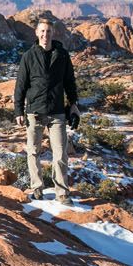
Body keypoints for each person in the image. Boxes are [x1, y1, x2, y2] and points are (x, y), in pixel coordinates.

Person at [13, 18, 80, 204]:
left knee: (60, 153)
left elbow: (70, 82)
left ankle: (62, 193)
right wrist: (18, 110)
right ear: (36, 33)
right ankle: (37, 189)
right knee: (33, 152)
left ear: (53, 33)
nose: (45, 35)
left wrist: (73, 104)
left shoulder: (62, 55)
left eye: (48, 31)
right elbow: (21, 85)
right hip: (34, 111)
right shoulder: (28, 56)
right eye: (42, 31)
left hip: (57, 112)